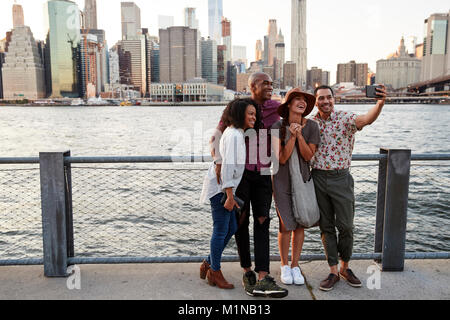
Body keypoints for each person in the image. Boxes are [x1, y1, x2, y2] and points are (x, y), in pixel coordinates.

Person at [210, 73, 288, 298]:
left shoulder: (276, 107)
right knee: (240, 222)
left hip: (264, 173)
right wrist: (218, 161)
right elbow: (216, 136)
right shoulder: (238, 107)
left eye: (272, 83)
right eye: (265, 83)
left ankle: (264, 275)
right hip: (241, 175)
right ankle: (247, 271)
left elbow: (297, 110)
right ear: (252, 86)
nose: (270, 86)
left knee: (263, 220)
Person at [311, 85, 387, 292]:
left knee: (346, 226)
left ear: (334, 99)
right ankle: (333, 270)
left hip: (341, 178)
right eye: (321, 99)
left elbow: (366, 119)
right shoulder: (311, 123)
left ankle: (345, 267)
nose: (325, 102)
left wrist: (379, 104)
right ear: (315, 101)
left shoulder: (345, 118)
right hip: (317, 177)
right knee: (326, 227)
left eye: (329, 98)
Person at [200, 98, 259, 290]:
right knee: (221, 229)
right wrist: (230, 196)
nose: (254, 117)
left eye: (254, 114)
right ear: (240, 114)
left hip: (225, 187)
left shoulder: (237, 133)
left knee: (232, 225)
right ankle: (215, 272)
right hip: (221, 189)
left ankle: (209, 262)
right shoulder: (233, 135)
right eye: (250, 113)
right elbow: (226, 168)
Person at [271, 88, 320, 286]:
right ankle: (284, 265)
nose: (302, 102)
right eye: (297, 99)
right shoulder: (277, 126)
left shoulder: (313, 127)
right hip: (281, 181)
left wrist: (300, 136)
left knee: (300, 222)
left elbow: (308, 156)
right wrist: (291, 136)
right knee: (285, 224)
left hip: (303, 180)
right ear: (289, 104)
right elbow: (281, 158)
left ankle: (295, 265)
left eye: (305, 100)